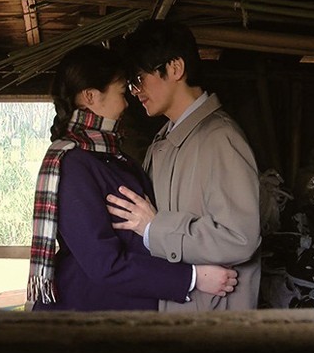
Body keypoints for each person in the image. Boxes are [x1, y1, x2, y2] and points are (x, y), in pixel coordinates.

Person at [27, 44, 238, 312]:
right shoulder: (73, 164)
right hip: (87, 312)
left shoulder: (112, 158)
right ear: (91, 96)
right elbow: (104, 264)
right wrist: (192, 278)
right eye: (121, 92)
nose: (128, 103)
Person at [106, 19, 262, 312]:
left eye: (139, 78)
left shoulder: (220, 138)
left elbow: (240, 237)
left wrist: (155, 228)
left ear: (175, 68)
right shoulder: (163, 142)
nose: (135, 91)